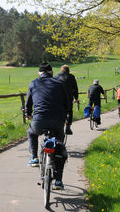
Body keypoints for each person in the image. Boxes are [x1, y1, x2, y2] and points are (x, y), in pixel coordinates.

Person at [24, 62, 68, 190]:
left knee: (31, 133)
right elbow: (67, 103)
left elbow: (28, 104)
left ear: (39, 74)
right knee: (59, 146)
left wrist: (28, 114)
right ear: (52, 73)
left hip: (39, 120)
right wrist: (66, 118)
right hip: (57, 121)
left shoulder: (33, 83)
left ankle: (34, 158)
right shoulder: (59, 83)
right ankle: (58, 181)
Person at [56, 65, 79, 135]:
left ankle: (57, 125)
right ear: (68, 70)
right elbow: (75, 88)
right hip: (68, 98)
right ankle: (68, 127)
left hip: (58, 98)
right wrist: (76, 98)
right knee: (69, 111)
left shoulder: (57, 76)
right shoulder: (71, 77)